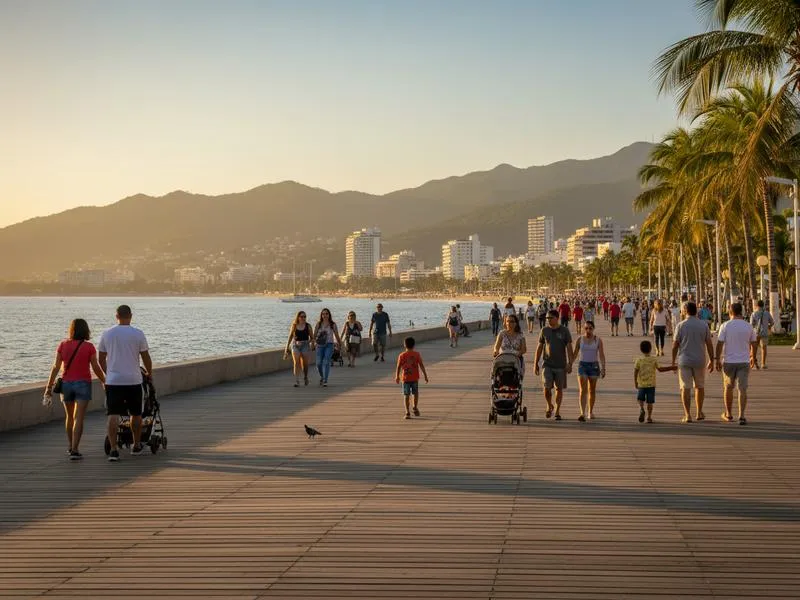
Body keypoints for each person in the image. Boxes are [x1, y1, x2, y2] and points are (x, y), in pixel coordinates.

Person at [43, 318, 106, 460]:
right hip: (83, 384)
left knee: (69, 417)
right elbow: (95, 367)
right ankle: (75, 450)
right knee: (79, 418)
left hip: (66, 384)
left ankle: (70, 446)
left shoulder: (63, 345)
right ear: (86, 330)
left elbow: (56, 367)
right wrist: (104, 381)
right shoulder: (89, 347)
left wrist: (49, 386)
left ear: (71, 329)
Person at [98, 305, 152, 462]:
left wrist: (108, 374)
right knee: (136, 414)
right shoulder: (138, 333)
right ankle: (136, 445)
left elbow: (101, 358)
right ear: (131, 316)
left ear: (116, 315)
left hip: (113, 381)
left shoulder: (107, 333)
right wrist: (149, 373)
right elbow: (146, 356)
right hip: (134, 380)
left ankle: (114, 450)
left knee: (113, 414)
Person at [671, 301, 714, 423]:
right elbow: (709, 344)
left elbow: (675, 345)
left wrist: (673, 361)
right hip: (699, 359)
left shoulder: (680, 326)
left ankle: (687, 414)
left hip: (684, 360)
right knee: (699, 386)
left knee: (685, 388)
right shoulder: (703, 325)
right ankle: (699, 412)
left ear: (685, 311)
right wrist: (712, 359)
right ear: (696, 311)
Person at [716, 302, 757, 425]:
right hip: (744, 361)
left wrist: (716, 359)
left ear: (730, 312)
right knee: (742, 389)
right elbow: (754, 343)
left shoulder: (725, 326)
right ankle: (742, 416)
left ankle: (728, 414)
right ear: (742, 312)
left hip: (729, 361)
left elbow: (719, 343)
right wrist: (753, 357)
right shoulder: (748, 326)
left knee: (728, 388)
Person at [534, 310, 574, 421]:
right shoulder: (544, 330)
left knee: (559, 389)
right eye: (547, 318)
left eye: (550, 318)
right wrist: (535, 363)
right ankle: (549, 404)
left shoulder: (564, 331)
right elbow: (539, 347)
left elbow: (569, 348)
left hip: (561, 366)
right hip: (547, 364)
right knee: (547, 388)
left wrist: (570, 363)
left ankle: (557, 410)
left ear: (557, 318)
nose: (548, 320)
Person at [569, 320, 605, 422]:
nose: (588, 330)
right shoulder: (580, 339)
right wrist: (570, 364)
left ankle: (590, 411)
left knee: (592, 390)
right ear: (583, 329)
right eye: (586, 328)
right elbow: (575, 353)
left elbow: (601, 355)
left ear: (593, 329)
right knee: (582, 390)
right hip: (582, 365)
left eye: (590, 328)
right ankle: (582, 413)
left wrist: (603, 368)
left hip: (594, 366)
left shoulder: (598, 340)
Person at [634, 340, 677, 424]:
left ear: (641, 349)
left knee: (640, 399)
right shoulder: (653, 359)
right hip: (651, 385)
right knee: (650, 402)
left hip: (641, 385)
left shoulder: (638, 360)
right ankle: (649, 417)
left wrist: (635, 382)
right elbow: (660, 369)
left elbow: (635, 371)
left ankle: (641, 408)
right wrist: (671, 368)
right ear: (650, 349)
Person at [395, 336, 429, 420]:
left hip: (405, 379)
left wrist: (397, 376)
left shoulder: (402, 355)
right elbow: (421, 365)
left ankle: (407, 412)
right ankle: (414, 407)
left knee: (406, 396)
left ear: (404, 345)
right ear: (414, 345)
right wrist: (425, 375)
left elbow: (398, 367)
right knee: (415, 393)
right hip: (414, 378)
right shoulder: (416, 354)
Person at [313, 308, 342, 387]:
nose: (325, 315)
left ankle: (325, 380)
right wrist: (312, 343)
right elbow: (314, 335)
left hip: (329, 345)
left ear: (329, 315)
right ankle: (322, 377)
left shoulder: (333, 324)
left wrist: (340, 344)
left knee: (326, 362)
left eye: (326, 314)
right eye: (323, 314)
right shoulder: (318, 324)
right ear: (321, 315)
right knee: (318, 363)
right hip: (319, 346)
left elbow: (336, 335)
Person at [284, 311, 314, 386]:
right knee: (296, 363)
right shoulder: (294, 325)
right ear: (298, 317)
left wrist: (308, 342)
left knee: (305, 364)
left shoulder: (308, 326)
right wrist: (286, 348)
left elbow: (312, 338)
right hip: (295, 345)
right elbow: (290, 337)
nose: (303, 318)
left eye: (304, 317)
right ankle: (297, 380)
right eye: (301, 316)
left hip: (305, 345)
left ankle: (305, 377)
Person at [750, 299, 774, 369]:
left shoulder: (754, 314)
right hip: (765, 333)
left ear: (757, 305)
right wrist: (768, 326)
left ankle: (754, 362)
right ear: (763, 305)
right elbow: (772, 322)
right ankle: (763, 364)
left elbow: (751, 325)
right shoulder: (767, 313)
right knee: (764, 348)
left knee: (754, 348)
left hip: (756, 333)